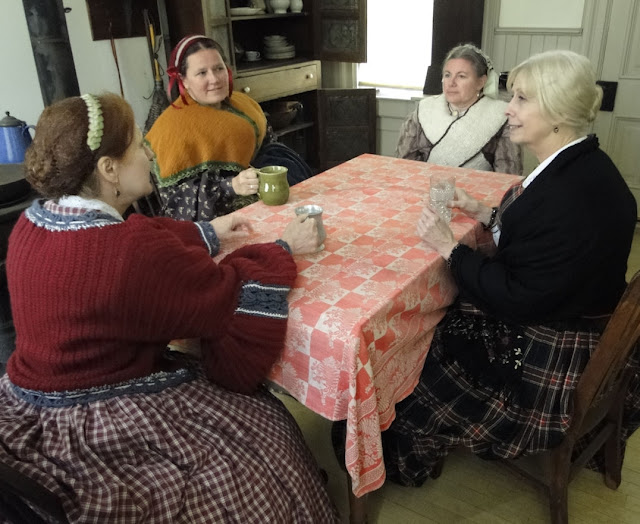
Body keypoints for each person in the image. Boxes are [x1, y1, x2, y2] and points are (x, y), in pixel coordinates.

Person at [0, 93, 339, 522]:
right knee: (266, 429)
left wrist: (208, 230)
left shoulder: (32, 223)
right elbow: (225, 293)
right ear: (109, 170)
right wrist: (284, 247)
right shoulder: (131, 253)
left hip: (28, 405)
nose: (150, 153)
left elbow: (139, 235)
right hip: (101, 420)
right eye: (139, 145)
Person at [376, 50, 637, 486]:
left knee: (411, 354)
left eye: (521, 99)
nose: (507, 109)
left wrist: (448, 247)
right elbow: (540, 240)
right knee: (429, 316)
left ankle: (397, 454)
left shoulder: (567, 197)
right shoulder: (583, 165)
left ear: (557, 113)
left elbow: (516, 296)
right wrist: (483, 211)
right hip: (571, 310)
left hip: (550, 351)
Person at [146, 35, 312, 222]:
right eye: (202, 73)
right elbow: (176, 205)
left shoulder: (242, 103)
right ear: (183, 80)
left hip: (265, 191)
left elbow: (268, 142)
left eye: (219, 68)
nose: (214, 79)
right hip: (222, 220)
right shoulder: (172, 129)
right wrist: (231, 186)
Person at [396, 43, 522, 175]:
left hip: (477, 187)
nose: (451, 83)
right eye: (447, 75)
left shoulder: (501, 116)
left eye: (461, 76)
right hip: (424, 184)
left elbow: (507, 176)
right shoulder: (424, 109)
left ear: (481, 82)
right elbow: (405, 165)